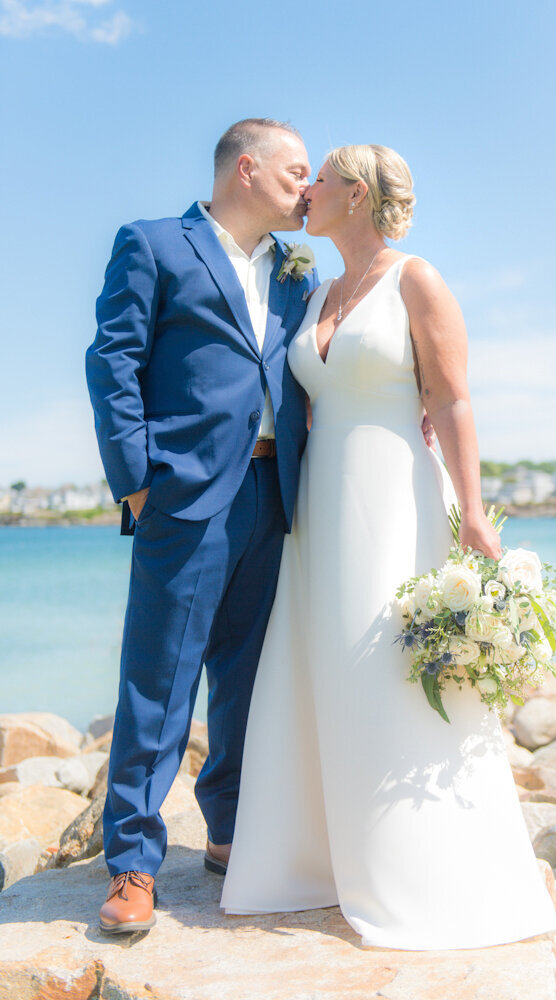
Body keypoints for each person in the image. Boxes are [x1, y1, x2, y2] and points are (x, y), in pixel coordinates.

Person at [221, 144, 556, 949]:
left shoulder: (417, 280)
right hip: (318, 506)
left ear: (360, 195)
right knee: (324, 668)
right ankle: (323, 860)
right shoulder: (314, 293)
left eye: (322, 179)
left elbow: (452, 399)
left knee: (393, 673)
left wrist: (474, 515)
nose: (306, 191)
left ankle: (418, 867)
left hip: (397, 498)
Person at [85, 118, 317, 934]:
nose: (308, 186)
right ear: (245, 169)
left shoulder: (296, 270)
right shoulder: (153, 243)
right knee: (158, 680)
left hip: (272, 492)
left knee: (248, 681)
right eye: (296, 171)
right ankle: (133, 866)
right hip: (181, 497)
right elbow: (110, 359)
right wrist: (137, 481)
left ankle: (229, 834)